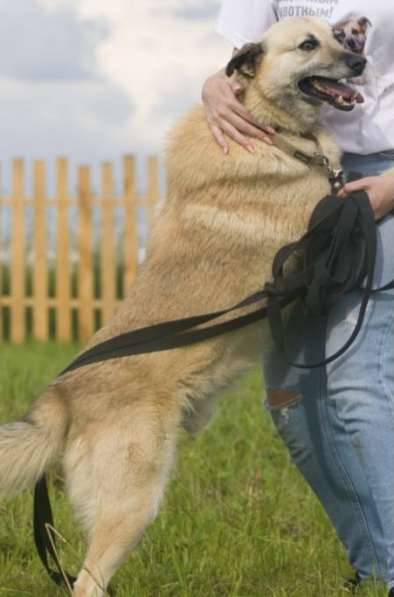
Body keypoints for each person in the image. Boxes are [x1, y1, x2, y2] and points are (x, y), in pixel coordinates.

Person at [202, 2, 394, 594]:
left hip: (382, 174)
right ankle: (374, 568)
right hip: (291, 166)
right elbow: (240, 61)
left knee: (358, 386)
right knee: (290, 398)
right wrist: (213, 84)